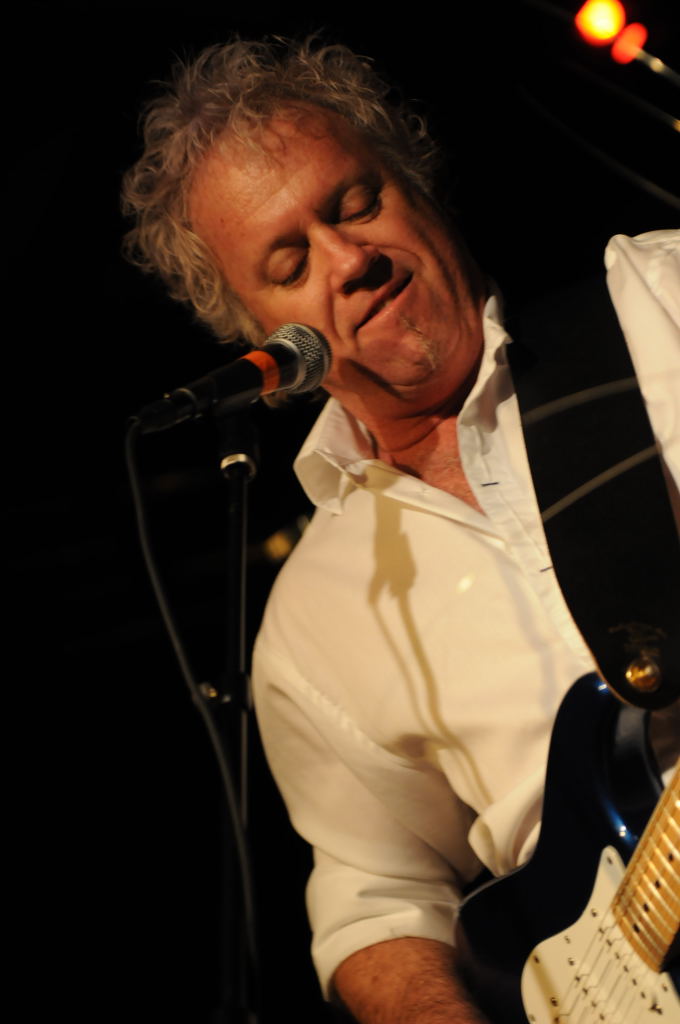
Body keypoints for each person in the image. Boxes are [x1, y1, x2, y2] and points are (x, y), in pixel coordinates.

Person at [122, 37, 680, 1023]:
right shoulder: (309, 626)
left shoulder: (657, 301)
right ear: (258, 336)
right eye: (290, 262)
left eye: (354, 204)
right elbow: (374, 898)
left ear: (414, 180)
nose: (350, 262)